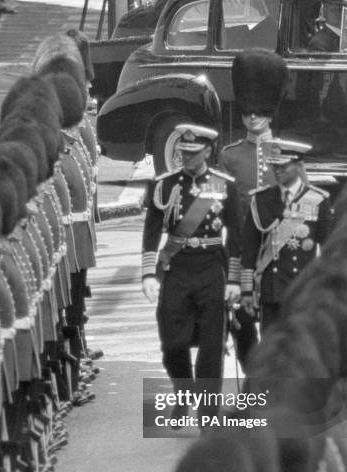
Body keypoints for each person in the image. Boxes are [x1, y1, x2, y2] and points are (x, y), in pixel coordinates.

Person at [142, 124, 241, 425]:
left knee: (211, 346)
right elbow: (151, 231)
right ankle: (183, 396)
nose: (185, 156)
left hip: (212, 267)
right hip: (177, 269)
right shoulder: (164, 185)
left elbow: (236, 234)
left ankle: (208, 413)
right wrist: (148, 274)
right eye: (182, 152)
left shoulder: (225, 185)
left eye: (192, 152)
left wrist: (235, 280)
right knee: (173, 343)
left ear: (208, 151)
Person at [219, 49, 289, 368]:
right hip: (239, 257)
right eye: (248, 111)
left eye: (259, 110)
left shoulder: (286, 155)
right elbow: (218, 208)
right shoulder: (229, 156)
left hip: (276, 255)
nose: (253, 116)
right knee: (243, 329)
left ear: (270, 111)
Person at [241, 139, 334, 332]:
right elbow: (249, 248)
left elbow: (329, 250)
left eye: (283, 165)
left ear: (299, 166)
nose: (277, 170)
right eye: (274, 165)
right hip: (271, 290)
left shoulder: (317, 200)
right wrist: (246, 289)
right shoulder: (262, 199)